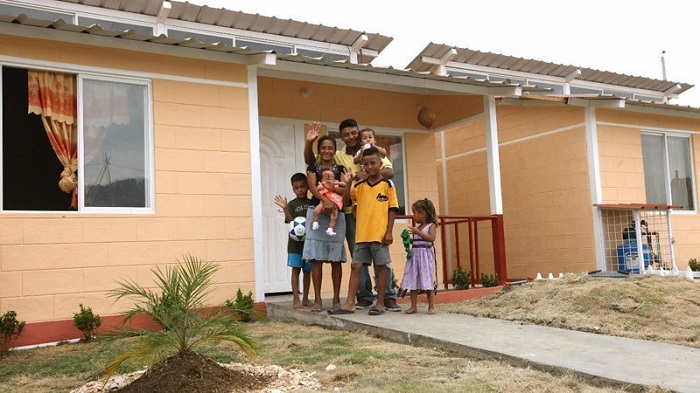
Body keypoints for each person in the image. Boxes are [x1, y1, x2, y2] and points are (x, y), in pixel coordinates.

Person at [304, 120, 401, 312]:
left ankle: (388, 297)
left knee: (381, 260)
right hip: (348, 212)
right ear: (342, 138)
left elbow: (389, 172)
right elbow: (311, 161)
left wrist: (367, 173)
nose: (351, 137)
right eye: (346, 134)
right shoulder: (339, 155)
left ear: (358, 133)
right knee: (358, 258)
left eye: (354, 133)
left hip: (374, 213)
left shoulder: (371, 150)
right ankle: (363, 296)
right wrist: (309, 142)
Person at [331, 147, 399, 315]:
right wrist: (348, 183)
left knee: (381, 267)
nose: (369, 167)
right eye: (365, 164)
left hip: (380, 235)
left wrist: (389, 232)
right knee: (356, 266)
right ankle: (349, 304)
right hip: (361, 235)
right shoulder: (360, 185)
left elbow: (392, 209)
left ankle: (381, 303)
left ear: (380, 164)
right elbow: (346, 201)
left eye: (373, 163)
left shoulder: (387, 185)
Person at [302, 134, 349, 312]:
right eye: (323, 148)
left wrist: (335, 202)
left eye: (330, 148)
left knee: (335, 258)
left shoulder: (341, 169)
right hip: (317, 214)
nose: (327, 151)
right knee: (317, 259)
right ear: (319, 150)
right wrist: (325, 200)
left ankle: (336, 299)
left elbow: (345, 189)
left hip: (336, 215)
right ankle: (318, 300)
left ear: (334, 150)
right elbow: (313, 187)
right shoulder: (313, 167)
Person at [274, 173, 313, 309]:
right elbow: (291, 221)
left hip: (309, 245)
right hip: (295, 245)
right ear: (293, 189)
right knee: (296, 270)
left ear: (308, 186)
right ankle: (296, 299)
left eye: (303, 186)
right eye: (297, 188)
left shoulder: (311, 203)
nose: (300, 190)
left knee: (308, 271)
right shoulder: (291, 204)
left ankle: (306, 298)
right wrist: (285, 208)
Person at [401, 198, 438, 315]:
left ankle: (431, 306)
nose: (413, 216)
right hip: (415, 257)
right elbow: (418, 241)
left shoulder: (430, 226)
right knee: (413, 281)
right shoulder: (418, 227)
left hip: (425, 258)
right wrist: (408, 240)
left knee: (427, 282)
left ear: (423, 214)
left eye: (415, 213)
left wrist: (418, 233)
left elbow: (431, 238)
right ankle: (413, 306)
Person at [311, 168, 346, 236]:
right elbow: (317, 189)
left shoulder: (335, 183)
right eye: (326, 177)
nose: (329, 178)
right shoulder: (322, 183)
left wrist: (337, 183)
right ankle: (315, 222)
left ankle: (330, 229)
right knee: (316, 211)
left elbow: (345, 185)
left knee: (334, 217)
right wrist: (321, 187)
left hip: (334, 202)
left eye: (331, 177)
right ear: (322, 179)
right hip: (324, 201)